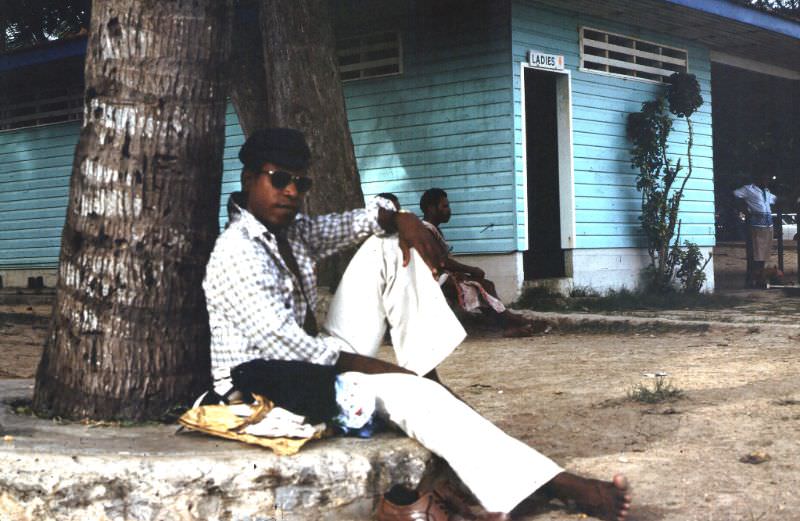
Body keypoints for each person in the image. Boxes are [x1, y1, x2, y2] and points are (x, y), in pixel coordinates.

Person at [203, 128, 631, 521]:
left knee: (388, 246)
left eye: (301, 183)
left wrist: (402, 218)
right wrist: (392, 374)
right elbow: (297, 353)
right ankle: (563, 484)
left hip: (304, 367)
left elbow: (364, 221)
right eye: (279, 179)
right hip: (265, 389)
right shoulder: (237, 253)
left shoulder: (292, 232)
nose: (292, 192)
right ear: (248, 179)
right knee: (411, 393)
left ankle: (428, 375)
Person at [419, 188, 549, 337]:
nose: (449, 210)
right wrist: (471, 269)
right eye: (445, 206)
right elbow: (441, 262)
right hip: (435, 280)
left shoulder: (432, 230)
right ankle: (509, 324)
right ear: (431, 208)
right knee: (482, 286)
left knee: (485, 285)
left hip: (442, 276)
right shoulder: (426, 230)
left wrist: (463, 272)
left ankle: (509, 322)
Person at [733, 173, 778, 288]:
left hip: (768, 225)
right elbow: (734, 194)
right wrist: (744, 209)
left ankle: (760, 279)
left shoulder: (767, 192)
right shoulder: (749, 189)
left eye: (767, 179)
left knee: (764, 255)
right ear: (757, 179)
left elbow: (776, 200)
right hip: (755, 225)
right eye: (764, 178)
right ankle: (751, 280)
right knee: (755, 254)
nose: (766, 181)